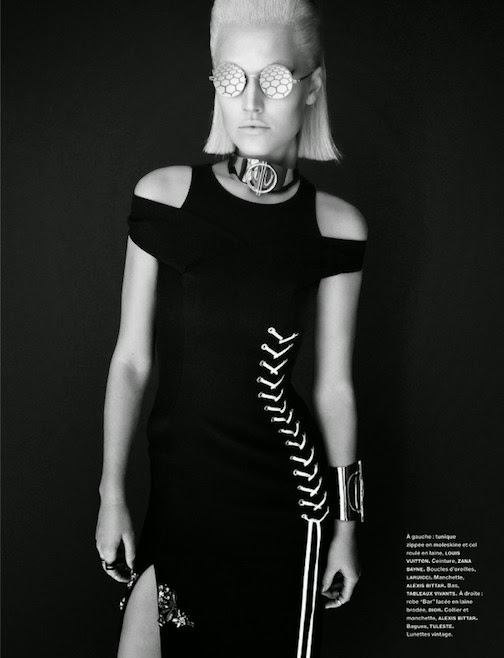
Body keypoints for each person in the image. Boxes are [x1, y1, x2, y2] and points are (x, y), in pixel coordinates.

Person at [95, 1, 367, 656]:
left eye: (273, 79)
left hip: (284, 507)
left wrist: (346, 527)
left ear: (312, 86)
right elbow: (131, 361)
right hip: (179, 504)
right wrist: (110, 491)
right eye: (231, 77)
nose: (250, 101)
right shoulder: (164, 199)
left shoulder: (336, 226)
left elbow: (334, 389)